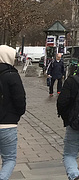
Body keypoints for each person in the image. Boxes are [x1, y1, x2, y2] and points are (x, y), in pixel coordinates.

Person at [0, 45, 26, 180]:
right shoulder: (12, 75)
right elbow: (20, 100)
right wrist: (16, 116)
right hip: (8, 124)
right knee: (9, 159)